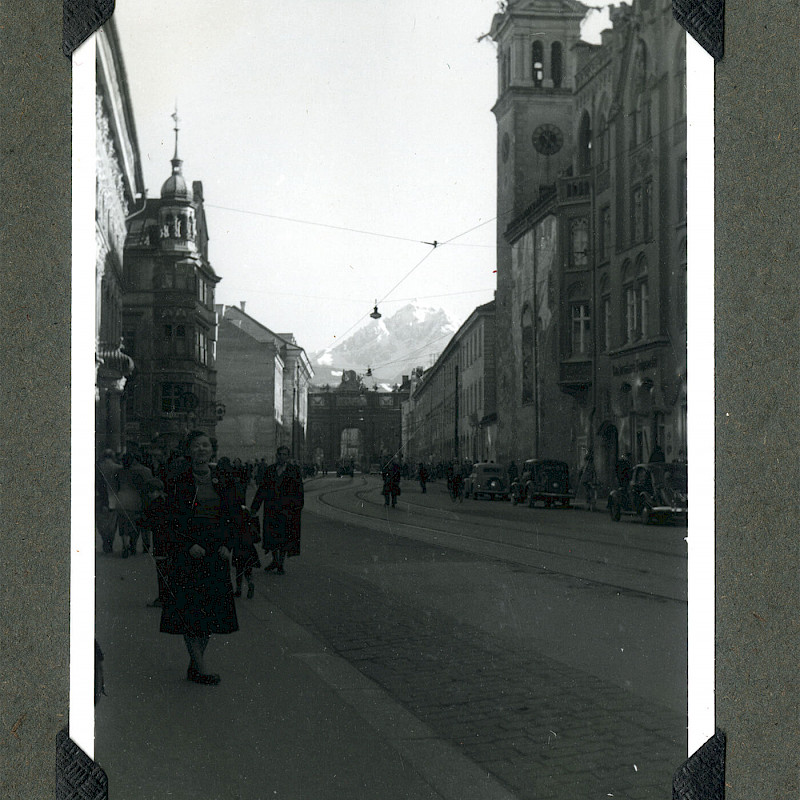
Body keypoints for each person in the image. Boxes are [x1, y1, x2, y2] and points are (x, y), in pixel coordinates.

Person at [159, 430, 241, 686]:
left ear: (212, 450)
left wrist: (228, 544)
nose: (202, 450)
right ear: (189, 450)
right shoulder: (178, 480)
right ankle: (201, 668)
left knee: (210, 615)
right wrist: (187, 544)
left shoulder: (223, 479)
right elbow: (170, 518)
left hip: (215, 553)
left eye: (205, 445)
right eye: (196, 446)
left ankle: (196, 665)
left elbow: (233, 514)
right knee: (190, 613)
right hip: (189, 554)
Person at [251, 445, 304, 576]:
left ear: (288, 456)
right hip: (272, 509)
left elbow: (299, 491)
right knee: (272, 535)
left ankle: (280, 563)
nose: (282, 457)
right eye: (280, 454)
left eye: (285, 454)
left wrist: (297, 507)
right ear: (277, 455)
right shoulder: (270, 470)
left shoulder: (294, 471)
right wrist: (254, 507)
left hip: (287, 510)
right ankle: (275, 560)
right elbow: (262, 489)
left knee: (284, 536)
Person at [116, 452, 153, 557]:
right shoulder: (138, 472)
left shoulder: (119, 472)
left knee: (123, 525)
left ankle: (125, 544)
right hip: (133, 500)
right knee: (133, 524)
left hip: (121, 499)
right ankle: (133, 546)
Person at [141, 477, 169, 608]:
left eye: (150, 492)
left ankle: (162, 598)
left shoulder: (155, 505)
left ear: (156, 491)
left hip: (160, 541)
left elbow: (150, 523)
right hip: (168, 541)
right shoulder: (166, 501)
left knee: (161, 571)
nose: (148, 495)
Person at [96, 449, 120, 554]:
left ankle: (105, 539)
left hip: (100, 498)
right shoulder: (118, 467)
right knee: (112, 523)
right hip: (114, 498)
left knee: (101, 522)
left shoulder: (97, 467)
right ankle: (110, 541)